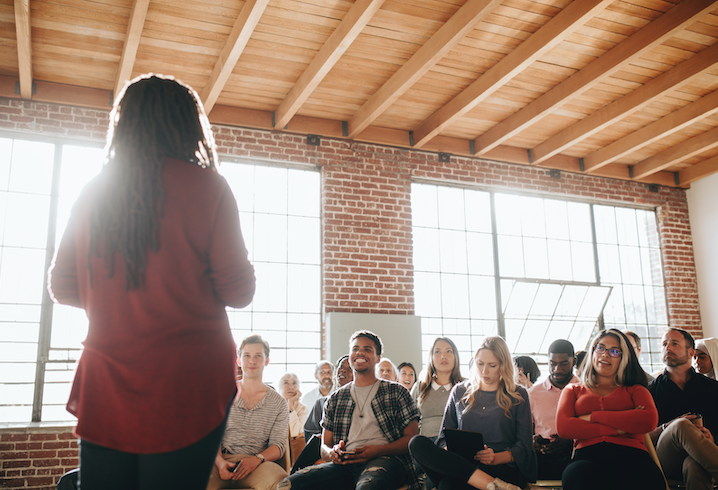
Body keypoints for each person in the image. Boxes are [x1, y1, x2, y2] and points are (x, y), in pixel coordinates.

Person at [47, 74, 256, 490]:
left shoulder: (94, 191)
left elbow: (62, 284)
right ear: (188, 125)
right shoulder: (209, 189)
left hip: (108, 380)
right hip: (188, 383)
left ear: (123, 123)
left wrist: (115, 302)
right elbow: (239, 290)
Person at [277, 330, 421, 490]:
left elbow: (412, 439)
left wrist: (377, 451)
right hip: (344, 464)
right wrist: (332, 453)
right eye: (355, 349)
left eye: (367, 349)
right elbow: (324, 446)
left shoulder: (397, 392)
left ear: (378, 358)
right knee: (288, 485)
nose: (360, 352)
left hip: (387, 461)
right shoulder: (335, 399)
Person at [410, 336, 536, 490]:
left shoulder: (518, 394)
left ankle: (491, 482)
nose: (484, 371)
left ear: (503, 365)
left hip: (501, 466)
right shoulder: (460, 391)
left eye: (492, 365)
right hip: (462, 464)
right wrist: (447, 449)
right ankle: (493, 485)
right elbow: (442, 438)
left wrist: (495, 458)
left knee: (447, 485)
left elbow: (524, 446)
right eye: (480, 363)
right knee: (416, 443)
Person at [556, 329, 664, 490]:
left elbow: (647, 421)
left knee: (638, 476)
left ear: (624, 358)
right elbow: (565, 428)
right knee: (580, 476)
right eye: (600, 348)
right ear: (593, 352)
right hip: (586, 456)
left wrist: (592, 416)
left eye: (614, 351)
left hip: (633, 455)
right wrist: (622, 426)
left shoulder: (636, 390)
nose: (605, 355)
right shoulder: (572, 390)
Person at [207, 335, 289, 490]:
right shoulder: (222, 394)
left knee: (283, 484)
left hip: (257, 463)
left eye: (258, 356)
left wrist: (257, 459)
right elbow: (211, 436)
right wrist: (219, 462)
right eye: (247, 356)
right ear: (239, 361)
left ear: (266, 361)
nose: (252, 361)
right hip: (220, 460)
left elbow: (278, 446)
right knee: (188, 479)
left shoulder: (279, 403)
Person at [649, 328, 718, 490]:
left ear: (690, 352)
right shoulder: (650, 391)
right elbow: (643, 437)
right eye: (664, 344)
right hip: (666, 457)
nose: (668, 348)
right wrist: (668, 426)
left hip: (702, 456)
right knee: (681, 425)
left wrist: (713, 439)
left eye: (675, 343)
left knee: (694, 465)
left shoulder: (713, 388)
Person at [527, 339, 577, 480]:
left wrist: (570, 441)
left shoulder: (585, 390)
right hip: (542, 456)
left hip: (574, 454)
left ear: (574, 361)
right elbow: (526, 430)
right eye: (553, 363)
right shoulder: (532, 393)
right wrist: (532, 441)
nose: (557, 369)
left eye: (564, 364)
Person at [304, 355, 353, 442]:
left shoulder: (360, 402)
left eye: (350, 368)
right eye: (341, 366)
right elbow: (310, 433)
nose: (343, 370)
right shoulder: (321, 403)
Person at [278, 373, 309, 467]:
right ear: (279, 387)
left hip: (294, 450)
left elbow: (294, 432)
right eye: (286, 383)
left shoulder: (303, 408)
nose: (290, 387)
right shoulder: (274, 405)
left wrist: (290, 405)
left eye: (294, 383)